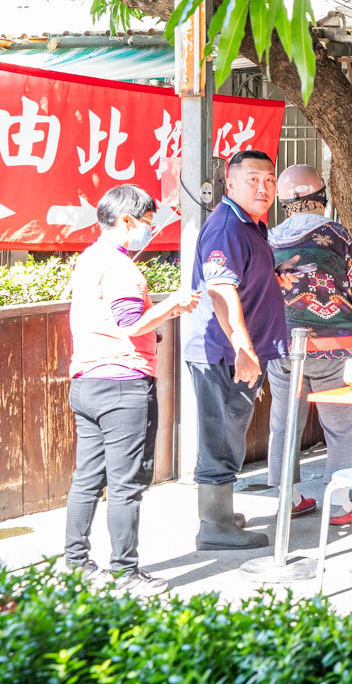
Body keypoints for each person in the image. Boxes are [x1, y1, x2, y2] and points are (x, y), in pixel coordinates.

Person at [64, 185, 200, 594]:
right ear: (125, 221)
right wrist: (173, 304)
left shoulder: (90, 258)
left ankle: (76, 564)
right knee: (126, 485)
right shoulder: (121, 268)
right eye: (146, 222)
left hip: (86, 381)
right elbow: (130, 324)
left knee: (87, 479)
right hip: (123, 385)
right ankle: (125, 573)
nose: (149, 230)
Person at [184, 150, 293, 551]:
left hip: (237, 351)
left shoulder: (249, 224)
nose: (263, 187)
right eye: (253, 179)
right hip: (224, 353)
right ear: (230, 183)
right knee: (221, 437)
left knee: (229, 432)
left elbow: (240, 278)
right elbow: (219, 289)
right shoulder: (228, 225)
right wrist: (243, 348)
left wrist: (270, 277)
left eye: (269, 179)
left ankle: (221, 514)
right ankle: (214, 526)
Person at [266, 165, 352, 526]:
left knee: (284, 424)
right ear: (321, 196)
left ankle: (288, 499)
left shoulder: (268, 239)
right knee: (340, 427)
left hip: (283, 347)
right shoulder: (337, 235)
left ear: (285, 202)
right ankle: (341, 505)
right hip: (335, 348)